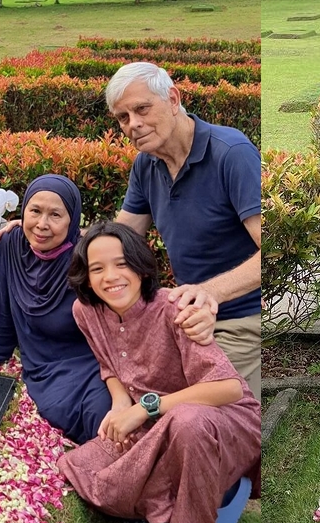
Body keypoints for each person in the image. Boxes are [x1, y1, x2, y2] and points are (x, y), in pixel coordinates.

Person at [58, 222, 259, 523]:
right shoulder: (86, 311)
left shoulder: (174, 308)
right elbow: (108, 364)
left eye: (121, 264)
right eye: (98, 268)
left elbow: (230, 387)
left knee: (187, 420)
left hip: (221, 420)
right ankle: (219, 490)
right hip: (163, 423)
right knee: (86, 473)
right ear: (85, 275)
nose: (111, 277)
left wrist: (145, 408)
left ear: (141, 266)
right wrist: (120, 402)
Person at [107, 62, 262, 399]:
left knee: (211, 417)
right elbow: (118, 241)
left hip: (243, 321)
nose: (133, 124)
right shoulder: (146, 163)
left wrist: (212, 293)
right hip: (188, 319)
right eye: (123, 118)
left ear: (173, 99)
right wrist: (43, 230)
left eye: (142, 109)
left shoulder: (231, 154)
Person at [0, 175, 112, 444]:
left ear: (72, 221)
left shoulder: (88, 257)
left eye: (55, 215)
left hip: (92, 361)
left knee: (106, 414)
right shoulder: (13, 245)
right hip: (44, 366)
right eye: (35, 211)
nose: (42, 225)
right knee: (73, 410)